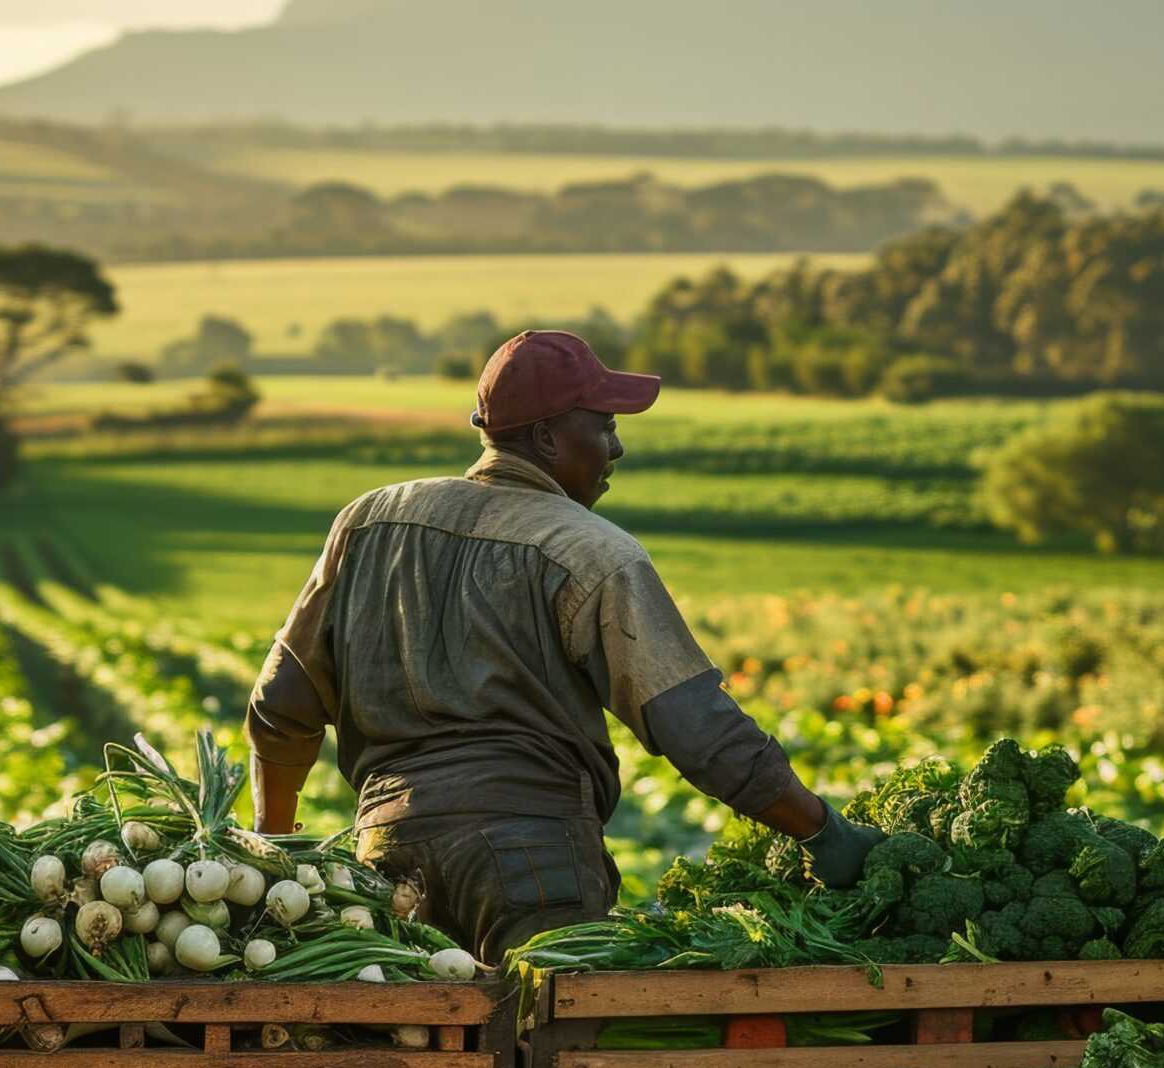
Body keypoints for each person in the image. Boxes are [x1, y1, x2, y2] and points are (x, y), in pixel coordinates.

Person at [245, 330, 886, 960]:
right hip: (531, 860)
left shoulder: (370, 522)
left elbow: (280, 704)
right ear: (548, 438)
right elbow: (701, 731)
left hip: (383, 859)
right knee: (549, 1054)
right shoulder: (592, 552)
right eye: (603, 426)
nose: (617, 448)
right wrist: (822, 832)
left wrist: (274, 847)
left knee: (431, 1051)